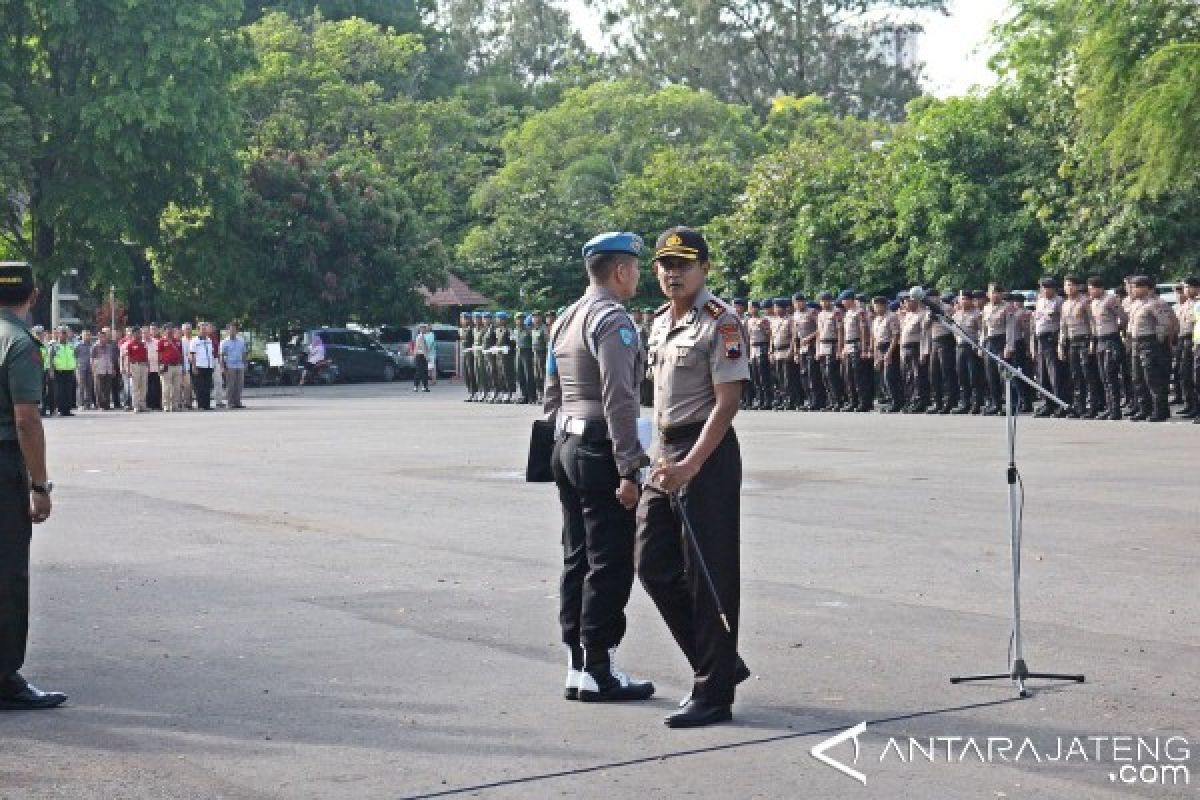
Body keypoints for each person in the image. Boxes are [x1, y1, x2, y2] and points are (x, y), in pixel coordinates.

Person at [636, 226, 750, 729]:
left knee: (710, 576)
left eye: (683, 263)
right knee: (652, 564)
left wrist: (692, 465)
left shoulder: (721, 323)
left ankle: (713, 693)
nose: (672, 272)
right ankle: (720, 662)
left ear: (704, 267)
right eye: (664, 264)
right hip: (665, 451)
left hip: (706, 451)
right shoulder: (659, 322)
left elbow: (727, 404)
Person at [542, 231, 654, 704]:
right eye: (637, 267)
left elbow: (549, 389)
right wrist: (629, 467)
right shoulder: (612, 320)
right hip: (599, 446)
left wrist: (559, 438)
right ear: (621, 271)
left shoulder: (566, 317)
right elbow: (620, 397)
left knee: (577, 557)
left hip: (567, 442)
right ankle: (600, 668)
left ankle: (577, 664)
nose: (639, 275)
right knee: (608, 561)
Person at [0, 263, 66, 710]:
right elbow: (26, 419)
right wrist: (39, 485)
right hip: (3, 465)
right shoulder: (20, 343)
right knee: (7, 573)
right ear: (34, 294)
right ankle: (5, 677)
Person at [1126, 276, 1173, 422]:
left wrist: (1159, 343)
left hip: (1151, 343)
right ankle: (1144, 409)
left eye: (1135, 287)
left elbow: (1165, 324)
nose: (1132, 290)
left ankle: (1160, 410)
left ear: (1146, 287)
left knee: (1153, 379)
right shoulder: (1135, 304)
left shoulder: (1155, 303)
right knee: (1138, 378)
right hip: (1136, 343)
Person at [1088, 277, 1126, 421]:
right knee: (1103, 377)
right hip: (1100, 341)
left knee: (1111, 376)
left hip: (1111, 339)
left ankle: (1115, 410)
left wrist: (1117, 331)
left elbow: (1123, 318)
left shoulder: (1110, 299)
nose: (1090, 291)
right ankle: (1109, 408)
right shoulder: (1093, 303)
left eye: (1092, 288)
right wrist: (1093, 341)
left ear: (1100, 288)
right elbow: (1093, 324)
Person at [1059, 276, 1097, 419]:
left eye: (1070, 285)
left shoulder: (1085, 301)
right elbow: (1063, 326)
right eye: (1066, 285)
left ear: (1076, 286)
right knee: (1075, 376)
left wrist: (1093, 341)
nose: (1068, 288)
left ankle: (1092, 407)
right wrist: (1060, 344)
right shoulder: (1065, 304)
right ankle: (1078, 407)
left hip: (1085, 339)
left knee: (1088, 374)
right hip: (1072, 341)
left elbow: (1092, 322)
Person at [1031, 279, 1065, 417]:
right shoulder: (1040, 301)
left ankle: (1060, 404)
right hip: (1041, 339)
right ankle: (1047, 403)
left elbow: (1062, 323)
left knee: (1055, 374)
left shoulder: (1058, 301)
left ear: (1053, 289)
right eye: (1042, 288)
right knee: (1042, 374)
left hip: (1052, 338)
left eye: (1047, 288)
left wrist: (1060, 343)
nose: (1044, 290)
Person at [839, 290, 873, 412]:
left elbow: (864, 331)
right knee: (849, 376)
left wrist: (864, 349)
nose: (842, 302)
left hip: (857, 344)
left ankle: (864, 402)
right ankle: (853, 401)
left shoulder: (860, 312)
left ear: (850, 299)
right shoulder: (848, 313)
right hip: (849, 345)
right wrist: (843, 347)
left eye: (844, 300)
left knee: (859, 376)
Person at [952, 291, 984, 415]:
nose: (963, 301)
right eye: (961, 299)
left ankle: (977, 403)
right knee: (962, 375)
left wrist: (978, 346)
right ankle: (965, 403)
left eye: (965, 299)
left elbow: (981, 331)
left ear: (971, 300)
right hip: (960, 347)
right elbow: (954, 331)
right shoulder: (956, 315)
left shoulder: (977, 314)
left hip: (972, 346)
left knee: (974, 376)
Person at [815, 292, 845, 411]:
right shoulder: (820, 314)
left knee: (831, 374)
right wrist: (817, 350)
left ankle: (838, 400)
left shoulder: (836, 313)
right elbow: (818, 333)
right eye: (822, 301)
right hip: (823, 345)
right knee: (824, 375)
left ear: (830, 301)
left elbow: (840, 331)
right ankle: (831, 400)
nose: (823, 303)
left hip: (832, 344)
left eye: (826, 300)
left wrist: (839, 349)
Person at [872, 296, 902, 413]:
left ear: (883, 305)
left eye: (876, 305)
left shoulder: (892, 317)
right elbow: (875, 339)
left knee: (890, 376)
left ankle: (897, 402)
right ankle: (890, 400)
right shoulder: (876, 320)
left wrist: (889, 353)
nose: (875, 308)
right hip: (880, 348)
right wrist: (876, 356)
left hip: (890, 347)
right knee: (883, 378)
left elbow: (895, 336)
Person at [1175, 277, 1198, 418]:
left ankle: (1196, 406)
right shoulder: (1184, 305)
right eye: (1184, 287)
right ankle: (1190, 404)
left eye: (1188, 287)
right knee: (1184, 374)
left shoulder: (1198, 304)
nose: (1185, 290)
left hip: (1192, 340)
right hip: (1182, 340)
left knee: (1194, 375)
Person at [768, 298, 793, 410]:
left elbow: (793, 337)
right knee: (779, 377)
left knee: (787, 377)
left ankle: (790, 400)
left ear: (783, 308)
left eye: (777, 307)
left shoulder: (789, 320)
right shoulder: (774, 321)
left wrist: (791, 351)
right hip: (777, 351)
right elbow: (772, 337)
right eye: (775, 307)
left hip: (786, 350)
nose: (776, 309)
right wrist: (770, 351)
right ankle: (782, 399)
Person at [48, 327, 77, 417]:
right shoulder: (54, 346)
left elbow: (74, 357)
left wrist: (75, 369)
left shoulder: (71, 345)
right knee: (60, 392)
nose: (64, 335)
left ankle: (67, 410)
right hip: (59, 371)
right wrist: (51, 371)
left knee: (68, 391)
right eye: (62, 333)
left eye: (65, 333)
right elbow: (50, 359)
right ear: (58, 334)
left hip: (69, 371)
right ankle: (60, 409)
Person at [189, 323, 217, 410]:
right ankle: (201, 405)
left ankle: (207, 405)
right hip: (199, 366)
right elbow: (191, 355)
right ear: (198, 330)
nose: (204, 331)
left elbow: (211, 353)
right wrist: (193, 366)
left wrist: (212, 365)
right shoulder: (194, 341)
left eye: (205, 329)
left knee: (208, 386)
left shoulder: (209, 340)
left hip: (208, 366)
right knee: (199, 387)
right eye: (202, 329)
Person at [157, 326, 185, 412]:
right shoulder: (161, 341)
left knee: (176, 388)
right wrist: (159, 366)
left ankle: (175, 405)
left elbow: (181, 354)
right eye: (168, 330)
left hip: (177, 366)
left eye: (171, 330)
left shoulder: (178, 341)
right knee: (166, 387)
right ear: (164, 331)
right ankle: (166, 405)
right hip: (166, 366)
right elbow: (159, 355)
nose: (169, 331)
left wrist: (182, 366)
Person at [220, 324, 247, 409]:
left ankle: (238, 402)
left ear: (237, 331)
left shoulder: (241, 341)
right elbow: (221, 355)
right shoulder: (224, 342)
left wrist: (245, 363)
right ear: (227, 331)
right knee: (230, 385)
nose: (232, 331)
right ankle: (230, 402)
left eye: (234, 330)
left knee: (239, 385)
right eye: (230, 330)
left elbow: (244, 353)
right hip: (230, 365)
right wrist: (222, 367)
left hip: (240, 365)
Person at [122, 327, 149, 413]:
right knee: (135, 387)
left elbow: (146, 356)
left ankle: (142, 405)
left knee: (143, 387)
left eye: (140, 333)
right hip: (134, 366)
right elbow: (128, 358)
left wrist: (147, 367)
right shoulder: (130, 344)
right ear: (133, 334)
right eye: (137, 333)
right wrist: (128, 370)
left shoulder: (143, 344)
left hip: (143, 366)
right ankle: (136, 406)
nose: (139, 335)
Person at [90, 329, 118, 411]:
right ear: (98, 337)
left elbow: (111, 359)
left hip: (108, 370)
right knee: (99, 389)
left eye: (104, 337)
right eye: (101, 337)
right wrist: (93, 370)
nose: (103, 338)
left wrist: (113, 369)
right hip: (99, 370)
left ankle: (107, 405)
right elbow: (91, 359)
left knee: (107, 388)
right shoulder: (94, 347)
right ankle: (100, 405)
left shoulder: (109, 347)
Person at [515, 315, 536, 403]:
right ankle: (524, 395)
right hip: (518, 352)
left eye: (521, 319)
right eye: (518, 319)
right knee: (520, 375)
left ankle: (532, 396)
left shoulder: (528, 330)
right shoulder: (516, 330)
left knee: (529, 375)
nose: (520, 321)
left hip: (527, 352)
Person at [459, 313, 477, 402]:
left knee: (471, 373)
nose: (463, 320)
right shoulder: (462, 329)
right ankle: (470, 392)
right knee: (466, 374)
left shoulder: (472, 329)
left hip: (471, 353)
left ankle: (474, 392)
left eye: (465, 318)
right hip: (464, 353)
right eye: (462, 318)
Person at [532, 311, 550, 404]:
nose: (535, 319)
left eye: (537, 317)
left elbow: (547, 342)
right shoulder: (534, 329)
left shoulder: (544, 328)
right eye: (534, 317)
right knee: (536, 375)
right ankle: (540, 395)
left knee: (543, 375)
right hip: (535, 353)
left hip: (542, 353)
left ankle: (545, 395)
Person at [74, 330, 94, 410]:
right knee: (81, 386)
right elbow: (74, 356)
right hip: (80, 368)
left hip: (90, 368)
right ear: (82, 336)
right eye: (86, 335)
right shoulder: (78, 345)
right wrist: (76, 366)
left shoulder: (92, 345)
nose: (87, 337)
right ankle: (80, 404)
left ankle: (88, 403)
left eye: (89, 335)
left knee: (89, 386)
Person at [412, 323, 435, 393]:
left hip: (420, 355)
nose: (425, 329)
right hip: (420, 355)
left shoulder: (421, 336)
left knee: (424, 372)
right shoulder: (420, 337)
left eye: (425, 328)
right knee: (420, 371)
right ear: (421, 329)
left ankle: (424, 387)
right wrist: (426, 357)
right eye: (424, 328)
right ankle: (416, 386)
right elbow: (423, 348)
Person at [179, 322, 195, 409]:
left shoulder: (194, 340)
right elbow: (182, 355)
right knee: (186, 385)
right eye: (186, 329)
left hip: (195, 365)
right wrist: (183, 367)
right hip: (186, 366)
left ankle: (189, 402)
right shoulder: (181, 341)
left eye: (189, 328)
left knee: (192, 385)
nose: (188, 330)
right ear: (183, 331)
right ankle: (185, 402)